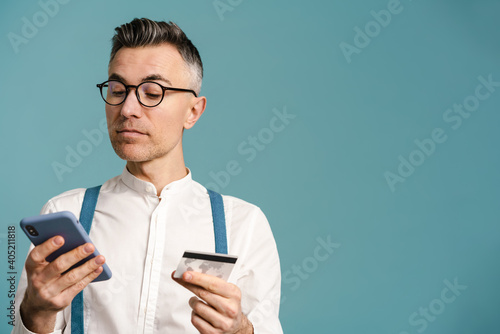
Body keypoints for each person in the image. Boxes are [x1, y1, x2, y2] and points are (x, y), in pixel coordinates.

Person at [12, 18, 282, 334]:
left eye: (152, 92)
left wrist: (241, 330)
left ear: (193, 112)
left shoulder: (244, 225)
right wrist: (36, 312)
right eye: (117, 90)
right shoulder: (64, 213)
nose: (127, 109)